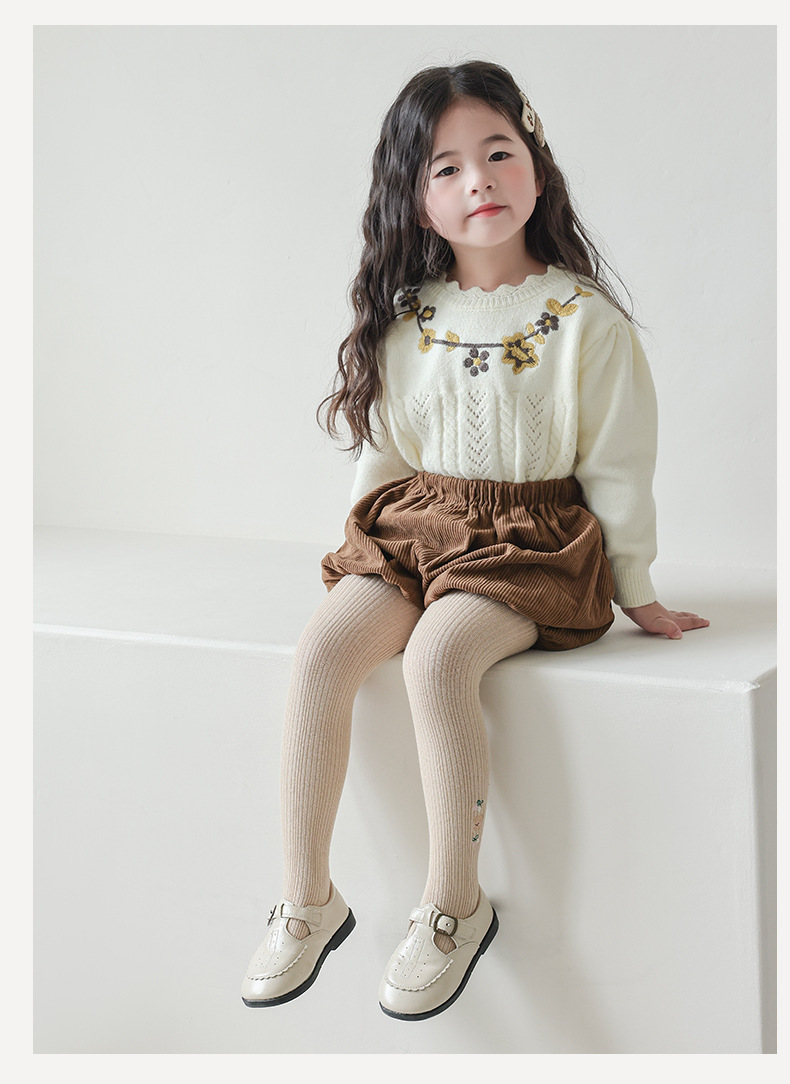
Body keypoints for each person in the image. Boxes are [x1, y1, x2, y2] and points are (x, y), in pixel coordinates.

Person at [240, 59, 709, 1021]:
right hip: (417, 526)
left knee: (440, 656)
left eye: (499, 154)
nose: (479, 182)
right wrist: (362, 558)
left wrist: (638, 588)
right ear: (414, 198)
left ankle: (454, 905)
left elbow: (620, 464)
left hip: (531, 541)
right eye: (446, 168)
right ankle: (307, 899)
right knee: (322, 651)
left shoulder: (584, 321)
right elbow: (387, 453)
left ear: (537, 167)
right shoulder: (408, 317)